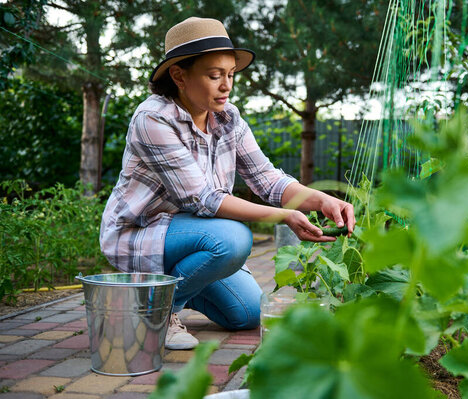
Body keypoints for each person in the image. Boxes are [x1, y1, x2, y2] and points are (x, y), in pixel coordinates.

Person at [99, 17, 355, 350]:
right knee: (233, 238)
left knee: (248, 312)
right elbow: (204, 199)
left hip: (191, 237)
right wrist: (283, 216)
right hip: (139, 233)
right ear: (179, 75)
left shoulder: (227, 117)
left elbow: (266, 178)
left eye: (231, 74)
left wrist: (321, 200)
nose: (227, 86)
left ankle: (167, 290)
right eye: (214, 75)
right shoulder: (154, 119)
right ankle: (154, 311)